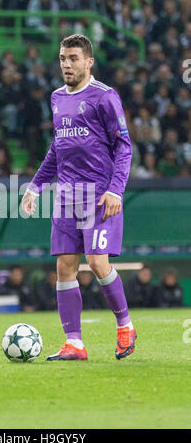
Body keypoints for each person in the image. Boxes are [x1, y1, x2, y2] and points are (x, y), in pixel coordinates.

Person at [22, 34, 135, 361]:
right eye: (62, 58)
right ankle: (74, 343)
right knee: (64, 267)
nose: (66, 64)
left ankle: (125, 325)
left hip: (99, 195)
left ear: (89, 61)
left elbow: (124, 147)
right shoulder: (57, 98)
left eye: (73, 58)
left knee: (97, 262)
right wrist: (35, 186)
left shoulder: (105, 97)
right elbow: (58, 148)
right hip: (67, 195)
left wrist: (116, 188)